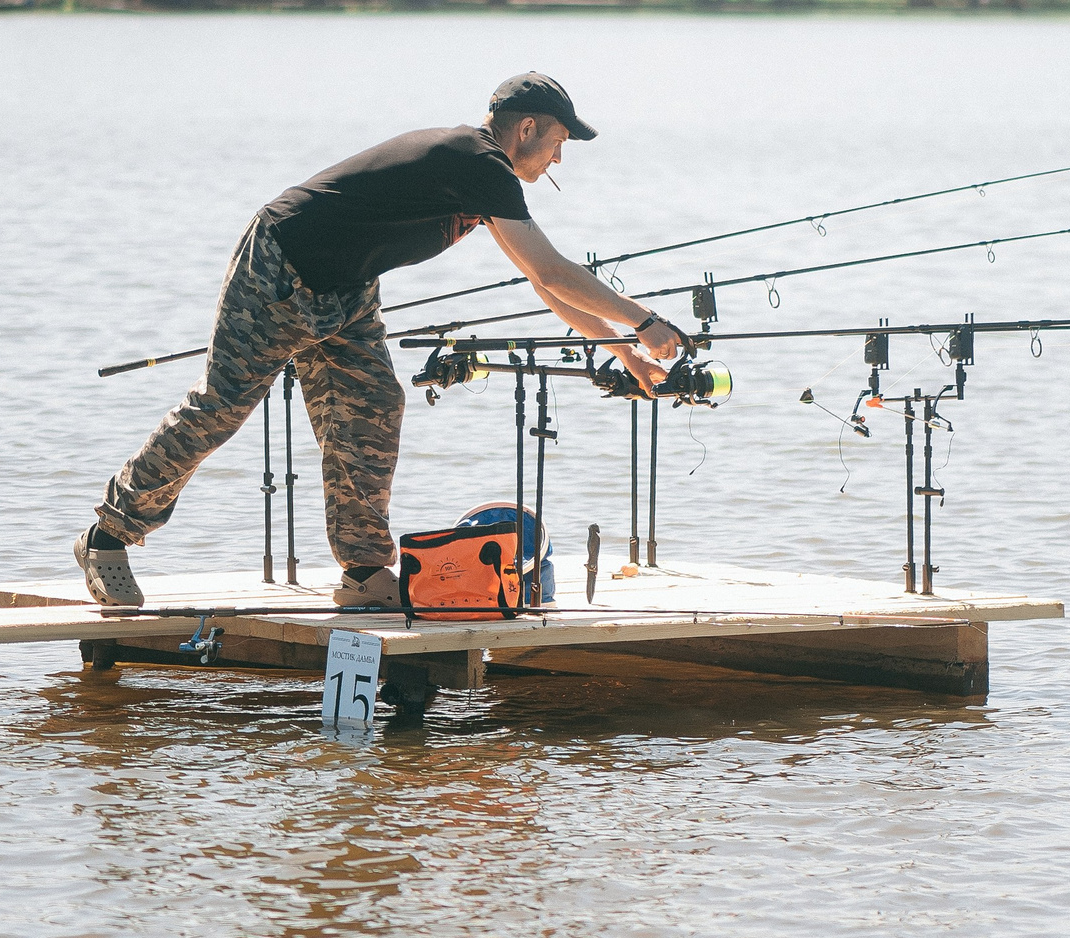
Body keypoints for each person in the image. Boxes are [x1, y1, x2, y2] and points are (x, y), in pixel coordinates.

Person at [73, 72, 687, 608]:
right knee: (223, 405)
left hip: (347, 287)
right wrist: (646, 320)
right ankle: (107, 538)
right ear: (526, 128)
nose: (559, 159)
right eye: (558, 143)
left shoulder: (482, 176)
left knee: (371, 403)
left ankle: (365, 571)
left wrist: (623, 351)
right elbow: (554, 271)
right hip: (283, 265)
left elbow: (543, 284)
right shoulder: (479, 162)